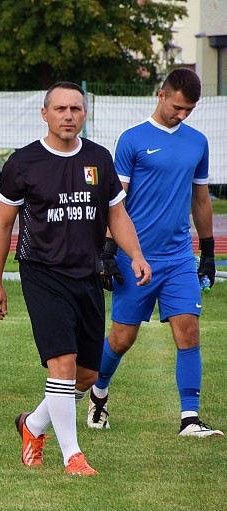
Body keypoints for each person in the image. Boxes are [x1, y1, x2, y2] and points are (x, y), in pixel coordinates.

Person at [0, 82, 151, 475]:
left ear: (84, 113)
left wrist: (136, 254)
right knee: (61, 361)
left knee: (86, 375)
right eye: (60, 109)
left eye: (75, 108)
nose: (68, 115)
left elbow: (117, 215)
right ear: (45, 114)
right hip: (42, 273)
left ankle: (32, 425)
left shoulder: (99, 158)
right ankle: (72, 455)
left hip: (87, 274)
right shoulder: (23, 163)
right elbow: (2, 225)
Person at [88, 69, 223, 438]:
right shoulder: (132, 140)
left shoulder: (197, 142)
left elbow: (200, 199)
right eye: (177, 107)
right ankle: (98, 393)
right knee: (122, 338)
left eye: (189, 110)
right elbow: (117, 203)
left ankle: (190, 418)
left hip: (179, 257)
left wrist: (207, 251)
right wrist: (108, 250)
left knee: (188, 331)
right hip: (136, 258)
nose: (182, 115)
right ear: (161, 94)